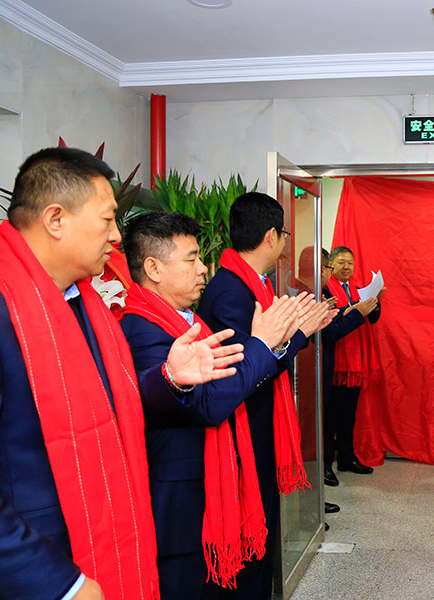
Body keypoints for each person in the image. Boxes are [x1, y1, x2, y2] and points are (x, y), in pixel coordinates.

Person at [0, 147, 243, 600]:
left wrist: (169, 377)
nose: (117, 237)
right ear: (56, 219)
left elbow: (109, 405)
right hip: (39, 565)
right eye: (107, 220)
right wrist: (59, 584)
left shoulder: (84, 303)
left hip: (102, 537)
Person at [119, 212, 319, 599]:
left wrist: (273, 343)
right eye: (191, 258)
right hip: (182, 503)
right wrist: (262, 344)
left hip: (208, 489)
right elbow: (209, 404)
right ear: (154, 268)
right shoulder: (142, 329)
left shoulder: (183, 319)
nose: (202, 268)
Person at [198, 192, 333, 600]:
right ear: (272, 236)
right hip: (244, 429)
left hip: (259, 426)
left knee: (265, 530)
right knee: (251, 541)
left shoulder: (253, 284)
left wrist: (293, 334)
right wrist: (298, 336)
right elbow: (249, 369)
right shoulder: (230, 291)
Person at [323, 245, 383, 476]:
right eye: (341, 262)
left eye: (350, 263)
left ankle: (347, 458)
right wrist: (355, 311)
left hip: (354, 363)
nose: (346, 267)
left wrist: (376, 301)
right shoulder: (325, 290)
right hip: (334, 364)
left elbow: (373, 319)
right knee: (330, 417)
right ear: (331, 265)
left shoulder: (357, 289)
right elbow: (331, 329)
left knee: (349, 416)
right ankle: (326, 465)